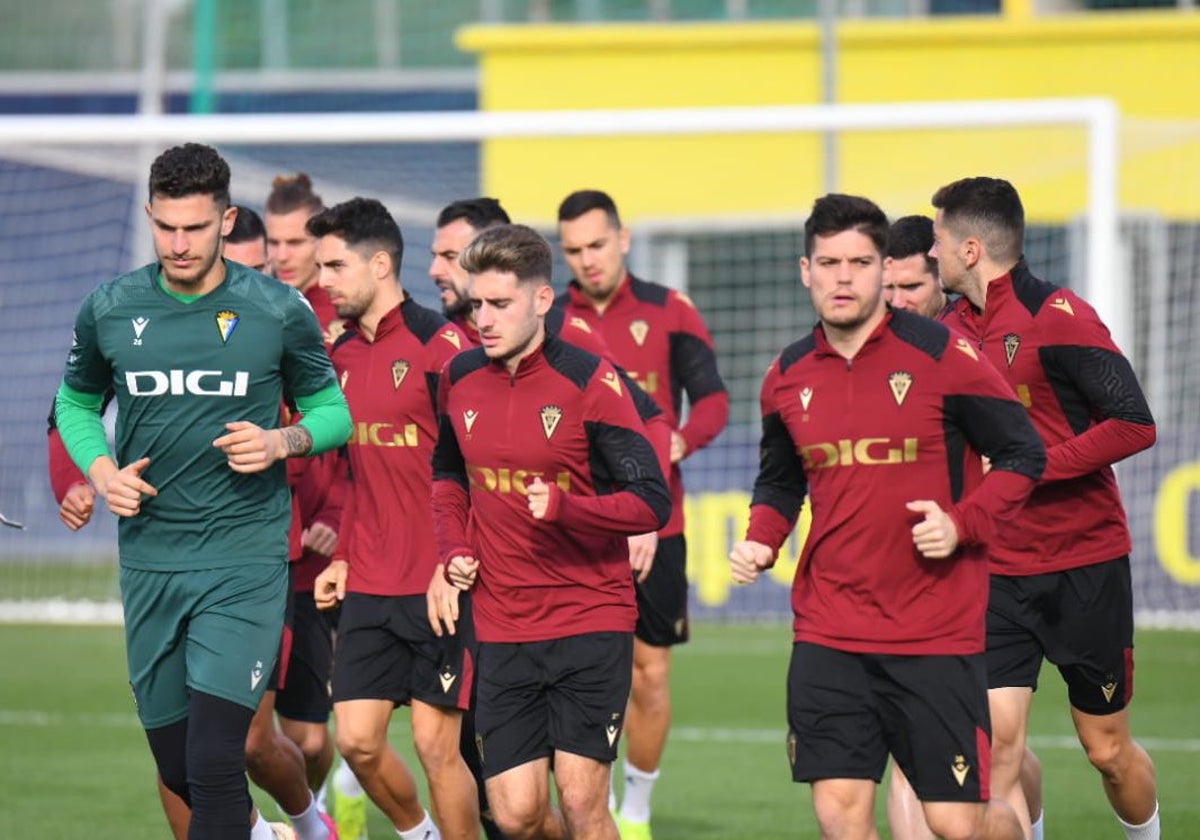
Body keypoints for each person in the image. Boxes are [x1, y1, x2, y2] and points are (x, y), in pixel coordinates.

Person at [53, 142, 351, 839]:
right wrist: (100, 472)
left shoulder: (278, 309)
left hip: (243, 562)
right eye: (166, 227)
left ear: (227, 220)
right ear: (151, 217)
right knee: (177, 764)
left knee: (218, 758)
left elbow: (333, 413)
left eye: (195, 227)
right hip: (153, 563)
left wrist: (282, 440)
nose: (179, 243)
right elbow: (74, 404)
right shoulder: (110, 309)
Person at [729, 193, 1046, 840]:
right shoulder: (785, 376)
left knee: (956, 822)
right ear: (805, 270)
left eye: (859, 262)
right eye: (828, 262)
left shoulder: (943, 357)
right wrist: (762, 538)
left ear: (882, 270)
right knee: (839, 814)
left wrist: (962, 523)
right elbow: (780, 481)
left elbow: (1023, 453)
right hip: (828, 631)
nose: (842, 277)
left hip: (934, 632)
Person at [931, 176, 1161, 840]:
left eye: (940, 239)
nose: (933, 254)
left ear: (971, 249)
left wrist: (1029, 470)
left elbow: (1134, 423)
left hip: (1084, 562)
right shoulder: (943, 334)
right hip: (996, 569)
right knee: (998, 745)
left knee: (1107, 752)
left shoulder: (1059, 316)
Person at [430, 223, 671, 840]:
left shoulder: (590, 381)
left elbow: (651, 502)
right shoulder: (458, 378)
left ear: (541, 301)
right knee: (514, 814)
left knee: (584, 800)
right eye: (476, 303)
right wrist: (455, 547)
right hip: (504, 623)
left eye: (500, 304)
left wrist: (569, 508)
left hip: (590, 618)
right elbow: (449, 474)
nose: (483, 318)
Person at [556, 189, 728, 840]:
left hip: (660, 521)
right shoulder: (546, 315)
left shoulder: (669, 310)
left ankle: (637, 811)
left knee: (649, 673)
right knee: (574, 667)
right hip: (578, 521)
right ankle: (577, 803)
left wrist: (682, 438)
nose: (587, 260)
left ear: (623, 240)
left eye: (597, 245)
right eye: (572, 250)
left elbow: (710, 398)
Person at [306, 196, 474, 840]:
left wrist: (454, 564)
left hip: (437, 581)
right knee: (356, 741)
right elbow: (355, 475)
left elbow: (474, 469)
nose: (324, 281)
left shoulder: (443, 346)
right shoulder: (340, 355)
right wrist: (344, 554)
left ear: (381, 264)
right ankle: (418, 833)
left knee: (437, 748)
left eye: (335, 266)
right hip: (369, 578)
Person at [881, 212, 1048, 840]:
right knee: (920, 746)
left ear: (942, 281)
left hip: (993, 566)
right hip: (916, 572)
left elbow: (1022, 452)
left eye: (911, 288)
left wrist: (966, 517)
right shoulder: (882, 350)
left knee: (1003, 747)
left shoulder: (961, 350)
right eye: (888, 290)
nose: (897, 303)